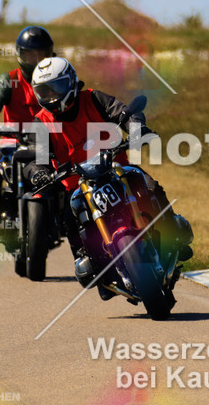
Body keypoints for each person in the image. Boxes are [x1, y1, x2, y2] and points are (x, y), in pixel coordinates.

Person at [25, 57, 193, 296]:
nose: (51, 96)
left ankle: (173, 231)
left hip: (116, 169)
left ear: (71, 82)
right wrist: (39, 172)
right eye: (44, 91)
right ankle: (93, 266)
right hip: (77, 185)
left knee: (147, 183)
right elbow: (35, 157)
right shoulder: (41, 122)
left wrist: (137, 129)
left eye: (56, 88)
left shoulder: (93, 98)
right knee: (70, 220)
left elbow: (124, 113)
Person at [0, 26, 54, 239]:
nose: (36, 60)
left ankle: (66, 220)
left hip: (47, 141)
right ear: (20, 55)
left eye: (41, 55)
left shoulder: (55, 80)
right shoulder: (9, 79)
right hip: (10, 140)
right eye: (30, 55)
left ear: (50, 54)